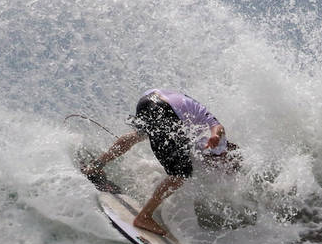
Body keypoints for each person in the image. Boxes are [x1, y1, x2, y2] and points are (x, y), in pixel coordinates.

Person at [83, 89, 235, 236]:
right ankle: (144, 217)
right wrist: (215, 135)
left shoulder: (194, 119)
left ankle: (95, 167)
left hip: (148, 100)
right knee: (180, 174)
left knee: (139, 135)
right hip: (166, 111)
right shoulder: (216, 140)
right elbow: (218, 128)